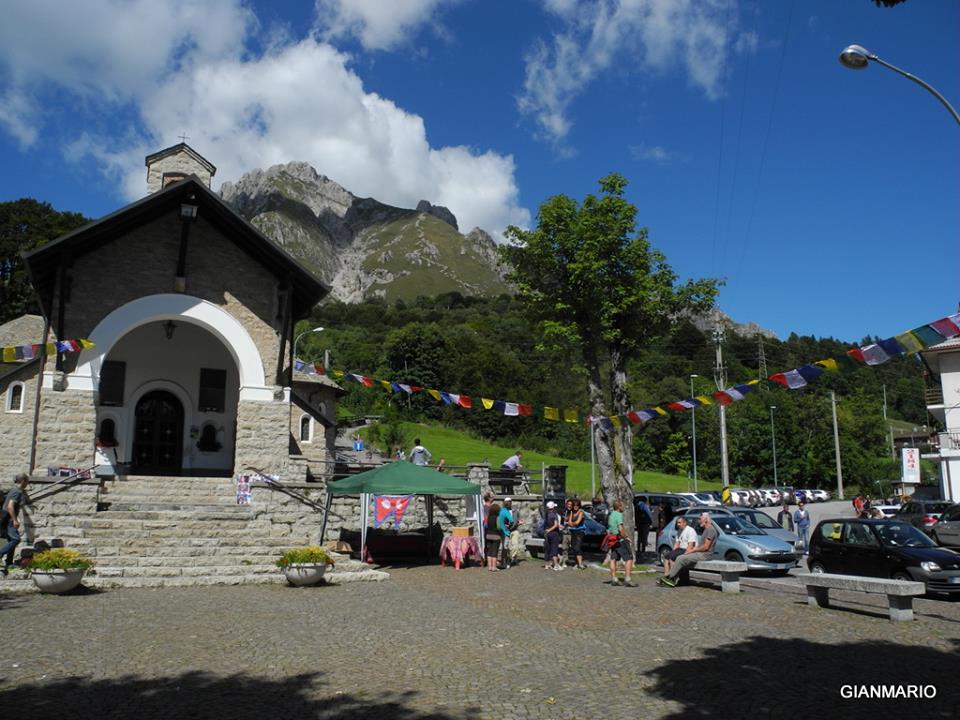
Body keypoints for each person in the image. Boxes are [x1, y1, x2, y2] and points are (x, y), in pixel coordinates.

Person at [658, 512, 718, 587]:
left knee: (680, 558)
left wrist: (692, 550)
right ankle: (675, 578)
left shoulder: (710, 530)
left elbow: (706, 547)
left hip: (705, 555)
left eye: (700, 519)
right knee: (679, 557)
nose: (699, 521)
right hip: (700, 553)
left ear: (706, 520)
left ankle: (670, 577)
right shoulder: (706, 529)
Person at [1, 474, 29, 575]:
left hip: (5, 519)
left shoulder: (14, 490)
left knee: (11, 540)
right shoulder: (17, 491)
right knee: (15, 539)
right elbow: (10, 506)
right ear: (23, 481)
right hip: (9, 519)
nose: (27, 484)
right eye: (27, 481)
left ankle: (9, 563)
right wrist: (15, 520)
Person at [606, 499, 635, 587]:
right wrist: (626, 537)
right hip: (620, 540)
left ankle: (614, 578)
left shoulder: (611, 515)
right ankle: (628, 579)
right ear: (619, 507)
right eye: (622, 506)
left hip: (612, 540)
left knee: (613, 559)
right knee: (629, 558)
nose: (624, 507)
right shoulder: (619, 515)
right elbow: (620, 528)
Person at [566, 498, 587, 570]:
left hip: (580, 531)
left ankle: (580, 564)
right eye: (574, 505)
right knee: (573, 547)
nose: (575, 507)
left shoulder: (581, 512)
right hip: (573, 531)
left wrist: (572, 523)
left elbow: (577, 522)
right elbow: (569, 522)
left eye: (577, 505)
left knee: (577, 547)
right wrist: (572, 523)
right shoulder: (571, 512)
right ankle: (576, 563)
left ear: (579, 506)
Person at [543, 500, 563, 571]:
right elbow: (556, 525)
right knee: (554, 549)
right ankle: (556, 565)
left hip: (547, 534)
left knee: (547, 549)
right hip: (554, 533)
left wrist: (547, 530)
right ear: (553, 507)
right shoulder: (554, 515)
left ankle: (547, 565)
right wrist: (550, 530)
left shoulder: (546, 514)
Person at [485, 501, 502, 572]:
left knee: (489, 551)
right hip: (496, 536)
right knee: (494, 552)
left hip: (488, 535)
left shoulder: (488, 517)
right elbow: (499, 527)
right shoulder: (498, 517)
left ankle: (489, 567)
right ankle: (494, 567)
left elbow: (486, 525)